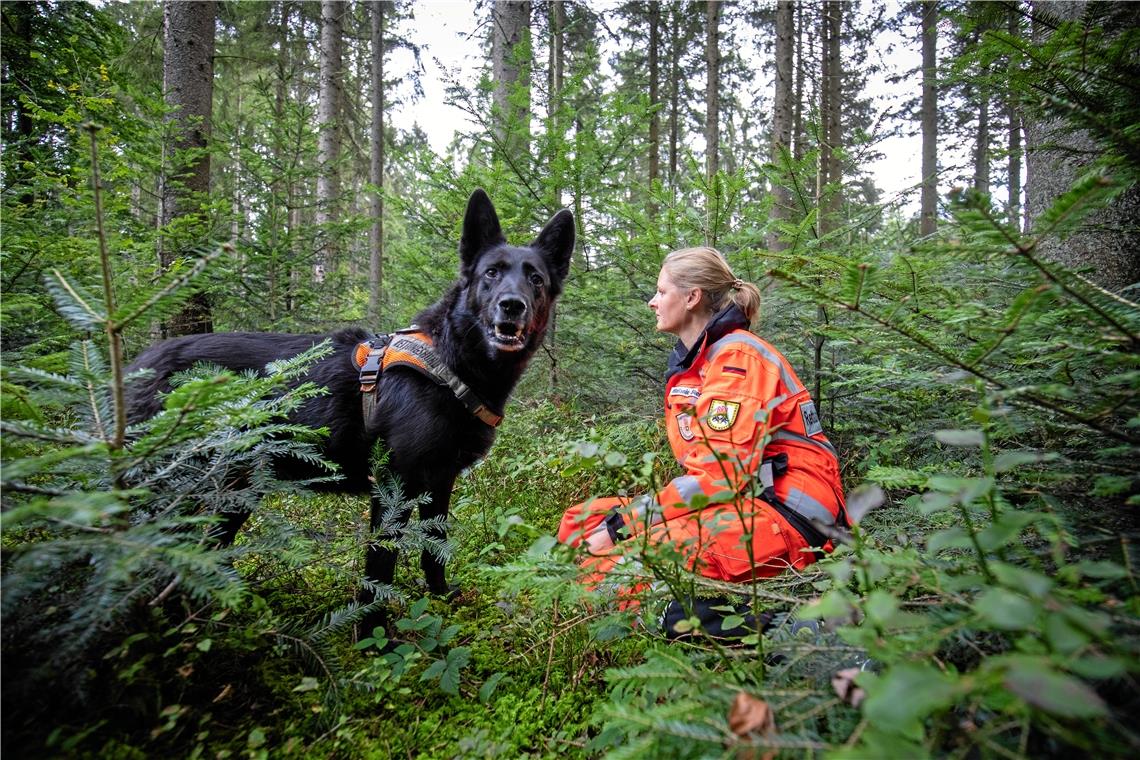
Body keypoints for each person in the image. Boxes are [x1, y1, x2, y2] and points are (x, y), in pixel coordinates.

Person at [557, 247, 847, 625]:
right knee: (580, 523)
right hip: (741, 501)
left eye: (661, 292)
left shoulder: (738, 361)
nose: (652, 302)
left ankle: (806, 633)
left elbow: (719, 477)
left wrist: (623, 527)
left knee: (623, 569)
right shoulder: (702, 362)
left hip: (790, 516)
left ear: (692, 297)